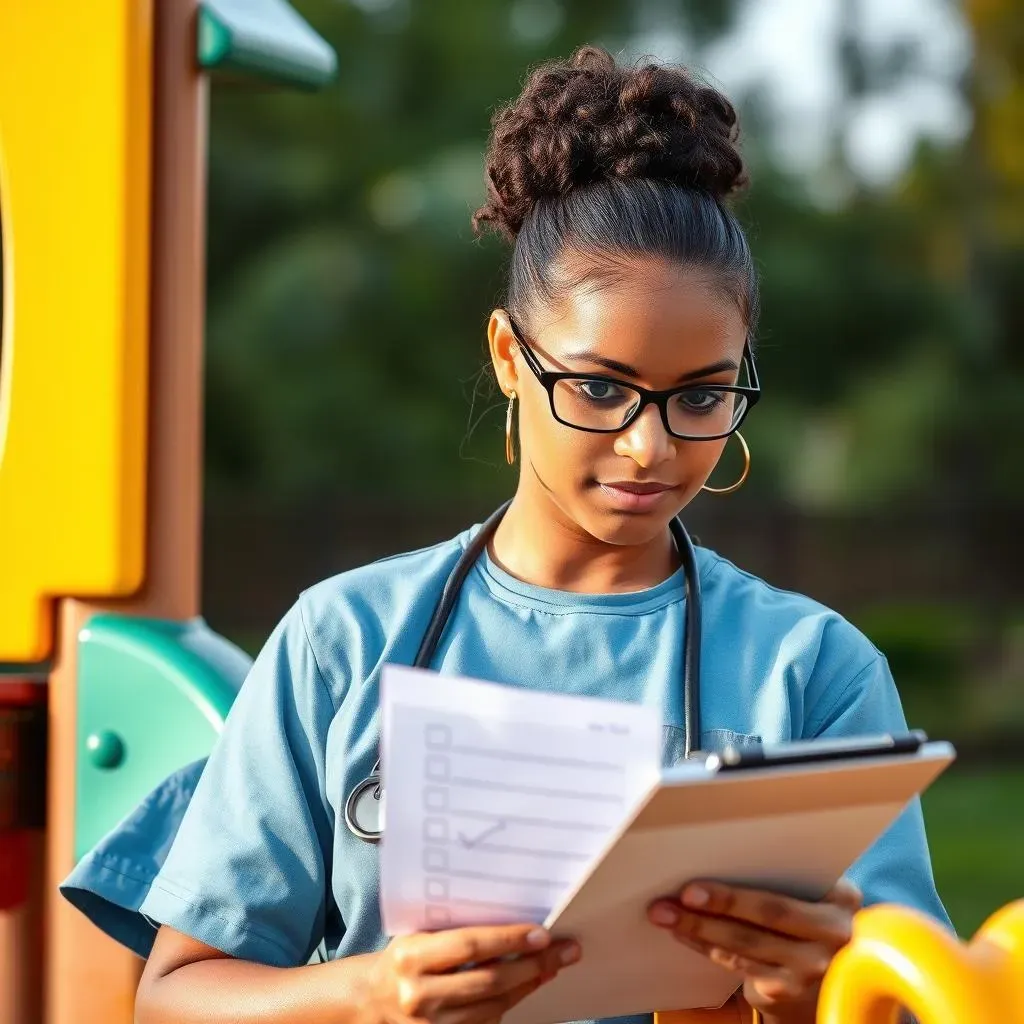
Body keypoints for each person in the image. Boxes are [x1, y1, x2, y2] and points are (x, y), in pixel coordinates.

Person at [62, 44, 949, 1024]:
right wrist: (373, 991)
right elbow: (173, 999)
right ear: (507, 357)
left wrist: (795, 996)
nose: (649, 446)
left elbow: (914, 1001)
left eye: (701, 397)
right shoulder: (344, 641)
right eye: (600, 387)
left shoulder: (814, 672)